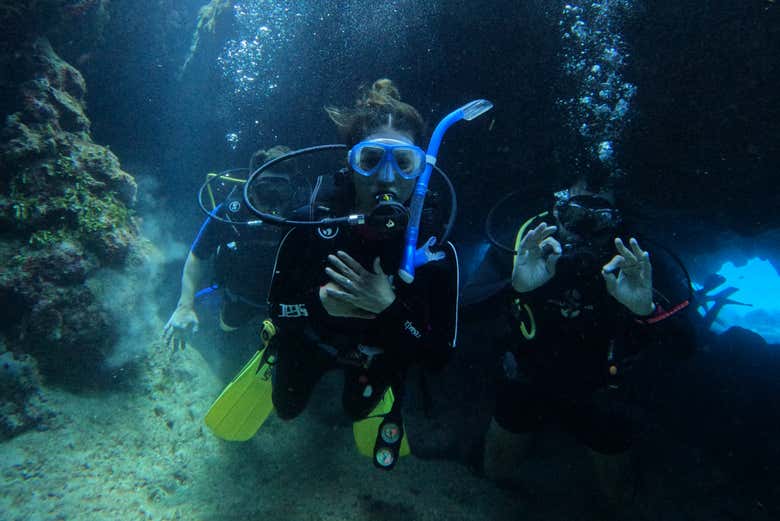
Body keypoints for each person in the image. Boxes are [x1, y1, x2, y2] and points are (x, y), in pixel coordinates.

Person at [204, 79, 460, 470]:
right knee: (286, 408)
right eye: (370, 159)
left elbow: (438, 356)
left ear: (420, 170)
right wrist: (318, 303)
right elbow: (276, 307)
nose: (387, 178)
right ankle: (272, 355)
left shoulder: (434, 247)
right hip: (313, 340)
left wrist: (389, 308)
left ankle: (364, 394)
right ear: (350, 164)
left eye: (404, 162)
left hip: (376, 355)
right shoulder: (310, 222)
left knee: (356, 411)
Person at [480, 179, 693, 509]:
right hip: (530, 375)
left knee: (620, 497)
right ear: (556, 210)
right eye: (575, 215)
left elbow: (686, 346)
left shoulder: (638, 260)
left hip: (604, 390)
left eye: (599, 219)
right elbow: (462, 309)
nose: (585, 231)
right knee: (493, 472)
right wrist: (514, 286)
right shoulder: (526, 244)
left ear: (617, 219)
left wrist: (647, 312)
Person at [163, 146, 295, 348]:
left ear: (291, 191)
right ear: (251, 187)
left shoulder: (303, 216)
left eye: (281, 192)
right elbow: (197, 255)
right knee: (227, 327)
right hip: (240, 297)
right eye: (265, 191)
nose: (273, 202)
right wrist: (184, 306)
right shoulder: (229, 213)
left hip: (289, 302)